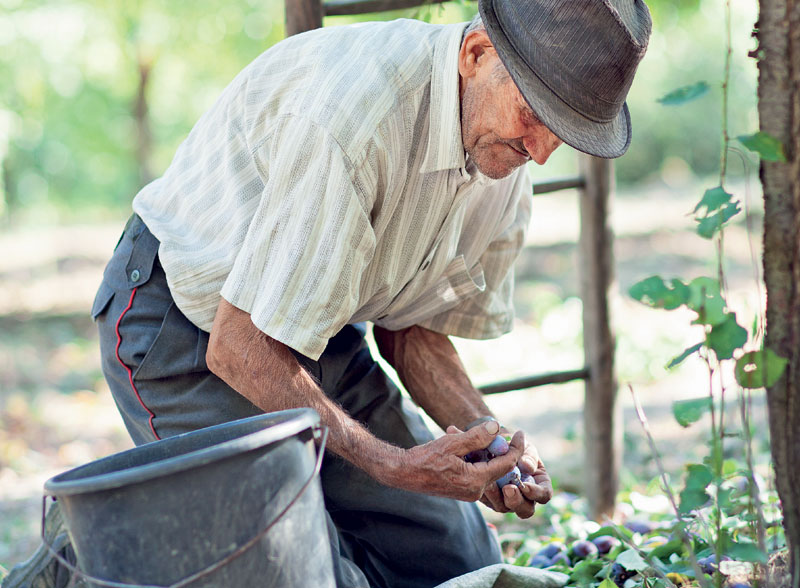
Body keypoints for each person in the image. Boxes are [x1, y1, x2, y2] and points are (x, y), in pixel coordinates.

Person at [3, 0, 651, 587]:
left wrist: (494, 444)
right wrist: (391, 465)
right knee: (290, 568)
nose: (539, 153)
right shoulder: (352, 121)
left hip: (314, 334)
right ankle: (86, 567)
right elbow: (240, 347)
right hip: (180, 330)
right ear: (476, 54)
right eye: (534, 116)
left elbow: (411, 329)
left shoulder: (502, 160)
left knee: (460, 563)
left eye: (561, 132)